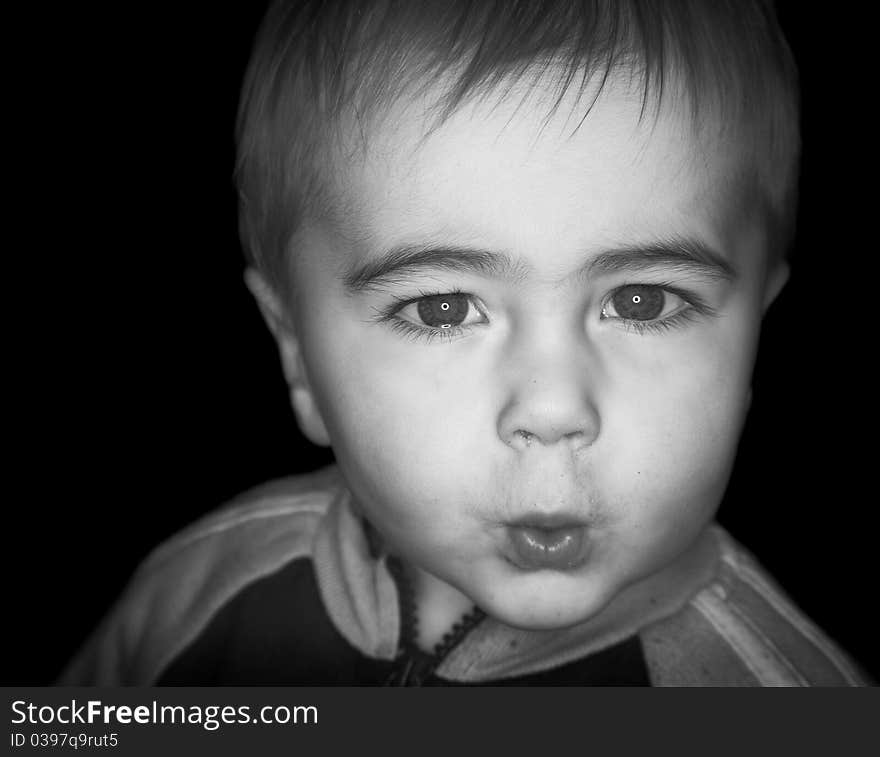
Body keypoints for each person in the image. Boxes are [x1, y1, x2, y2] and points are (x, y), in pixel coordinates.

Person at [60, 0, 870, 686]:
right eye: (444, 309)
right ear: (297, 353)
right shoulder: (197, 596)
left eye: (641, 299)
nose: (553, 408)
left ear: (756, 335)